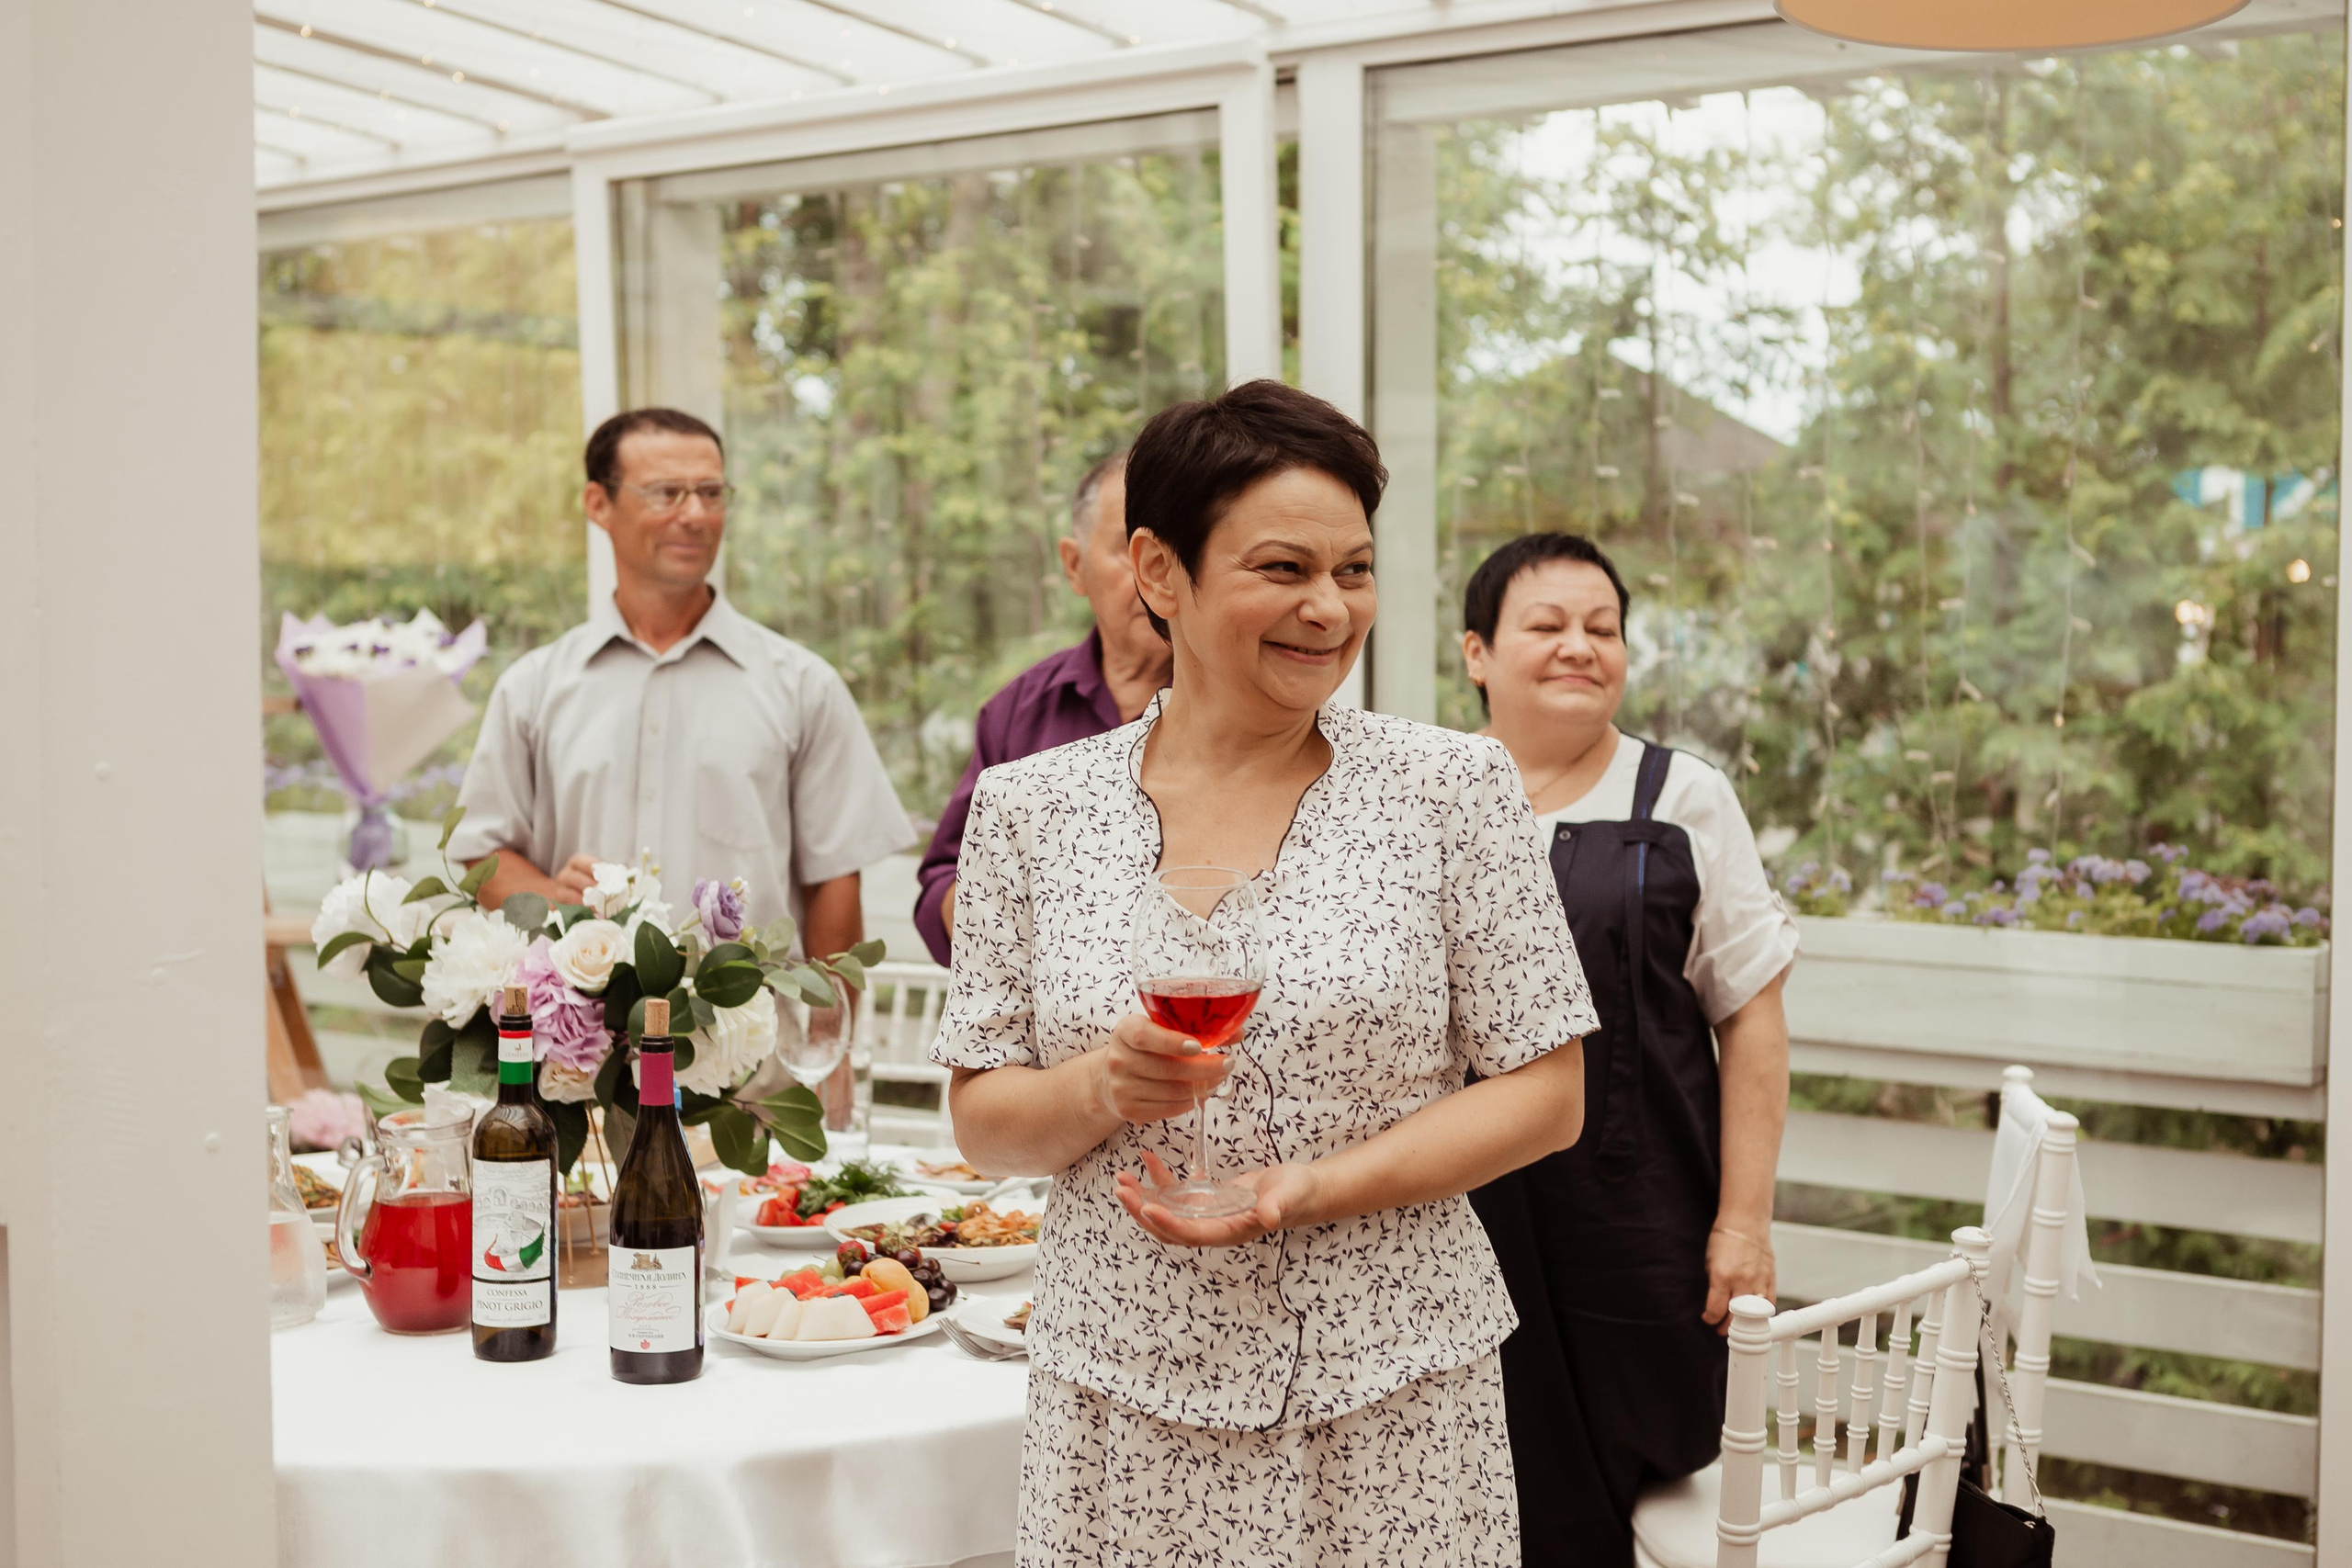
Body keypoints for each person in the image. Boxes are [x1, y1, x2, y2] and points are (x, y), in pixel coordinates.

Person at [930, 380, 1598, 1565]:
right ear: (1159, 570)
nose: (1328, 610)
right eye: (1283, 568)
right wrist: (1103, 1089)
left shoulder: (1451, 789)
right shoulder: (1028, 809)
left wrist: (1301, 1192)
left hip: (1395, 1393)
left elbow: (1547, 1098)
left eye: (1353, 571)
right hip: (1120, 1402)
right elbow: (985, 1123)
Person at [1458, 532, 1796, 1568]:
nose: (1579, 647)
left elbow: (1751, 1018)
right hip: (1460, 1226)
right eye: (1547, 626)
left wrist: (1742, 1225)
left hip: (1638, 1230)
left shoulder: (1682, 800)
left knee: (1619, 1489)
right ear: (1477, 653)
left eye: (1601, 629)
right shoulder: (1431, 799)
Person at [450, 407, 915, 965]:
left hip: (754, 1039)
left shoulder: (804, 686)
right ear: (599, 504)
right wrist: (555, 898)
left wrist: (825, 1042)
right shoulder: (532, 689)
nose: (695, 514)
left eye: (711, 493)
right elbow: (480, 858)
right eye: (666, 493)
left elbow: (834, 881)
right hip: (581, 1047)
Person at [911, 451, 1171, 966]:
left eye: (1175, 550)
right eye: (1130, 550)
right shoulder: (1017, 713)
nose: (1154, 577)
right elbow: (942, 882)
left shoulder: (1244, 710)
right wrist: (1021, 907)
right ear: (1075, 566)